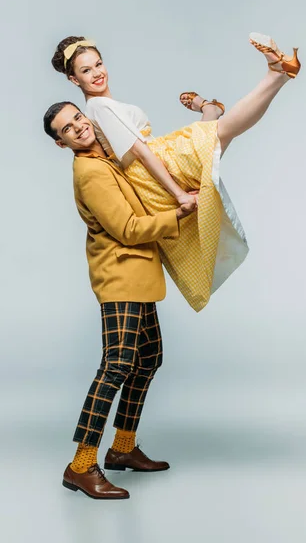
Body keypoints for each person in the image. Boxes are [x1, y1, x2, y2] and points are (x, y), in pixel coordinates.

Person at [51, 32, 300, 311]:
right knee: (221, 133)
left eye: (98, 64)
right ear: (75, 80)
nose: (97, 73)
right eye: (86, 70)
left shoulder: (102, 104)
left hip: (154, 160)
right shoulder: (98, 106)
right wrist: (179, 194)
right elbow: (141, 152)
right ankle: (265, 80)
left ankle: (226, 102)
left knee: (217, 139)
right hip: (151, 167)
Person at [43, 101, 196, 500]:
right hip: (121, 275)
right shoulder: (90, 171)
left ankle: (123, 449)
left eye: (78, 117)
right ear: (61, 144)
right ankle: (81, 465)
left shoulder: (104, 153)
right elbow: (127, 229)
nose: (77, 127)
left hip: (138, 273)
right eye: (67, 129)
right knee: (117, 366)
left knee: (147, 359)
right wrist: (178, 214)